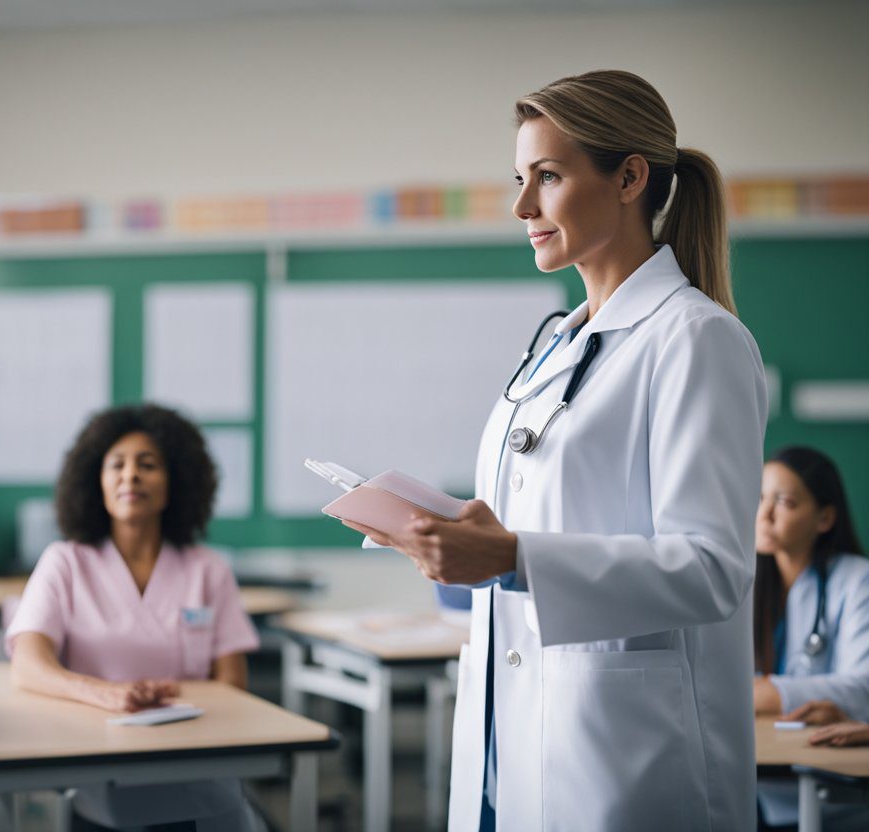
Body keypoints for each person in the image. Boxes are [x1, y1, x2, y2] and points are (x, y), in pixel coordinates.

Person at [345, 70, 767, 831]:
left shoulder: (696, 340)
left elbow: (713, 571)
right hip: (513, 726)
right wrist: (443, 542)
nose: (521, 207)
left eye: (548, 176)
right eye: (520, 178)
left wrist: (513, 558)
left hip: (625, 756)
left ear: (630, 177)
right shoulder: (557, 344)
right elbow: (526, 526)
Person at [7, 403, 261, 831]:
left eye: (148, 464)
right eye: (117, 465)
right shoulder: (65, 562)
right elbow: (28, 665)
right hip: (99, 763)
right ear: (96, 481)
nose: (131, 476)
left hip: (193, 760)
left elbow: (233, 683)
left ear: (175, 481)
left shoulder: (207, 568)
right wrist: (105, 693)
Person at [751, 447, 868, 828]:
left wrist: (763, 692)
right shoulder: (740, 583)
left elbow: (862, 687)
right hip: (756, 779)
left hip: (829, 783)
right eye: (759, 497)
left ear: (825, 517)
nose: (764, 514)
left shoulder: (856, 580)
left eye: (783, 502)